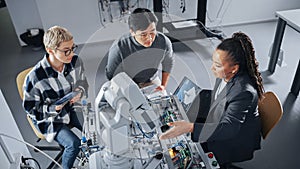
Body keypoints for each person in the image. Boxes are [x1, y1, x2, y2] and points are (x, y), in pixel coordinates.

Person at [159, 32, 264, 168]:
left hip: (235, 140)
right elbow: (218, 96)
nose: (212, 68)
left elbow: (229, 128)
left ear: (234, 69)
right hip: (220, 120)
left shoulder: (244, 92)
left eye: (218, 65)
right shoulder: (225, 74)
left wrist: (191, 127)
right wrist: (189, 99)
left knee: (190, 153)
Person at [23, 26, 89, 169]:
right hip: (48, 118)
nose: (71, 53)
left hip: (71, 108)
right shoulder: (34, 78)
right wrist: (53, 108)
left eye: (73, 48)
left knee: (93, 129)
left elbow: (83, 83)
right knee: (73, 144)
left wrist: (80, 92)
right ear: (50, 50)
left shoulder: (75, 61)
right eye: (66, 50)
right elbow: (32, 110)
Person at [105, 8, 174, 91]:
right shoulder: (119, 47)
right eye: (143, 34)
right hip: (127, 83)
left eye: (152, 32)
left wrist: (163, 85)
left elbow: (168, 63)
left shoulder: (164, 42)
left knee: (162, 101)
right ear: (132, 32)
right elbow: (112, 76)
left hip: (151, 80)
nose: (149, 38)